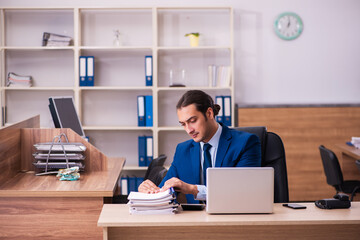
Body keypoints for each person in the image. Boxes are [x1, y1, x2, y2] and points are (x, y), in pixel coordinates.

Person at [138, 90, 261, 203]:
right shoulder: (183, 150)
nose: (189, 130)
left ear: (209, 113)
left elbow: (243, 191)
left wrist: (193, 189)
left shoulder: (246, 143)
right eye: (183, 124)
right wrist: (149, 192)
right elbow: (164, 193)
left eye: (192, 121)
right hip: (195, 223)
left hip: (232, 219)